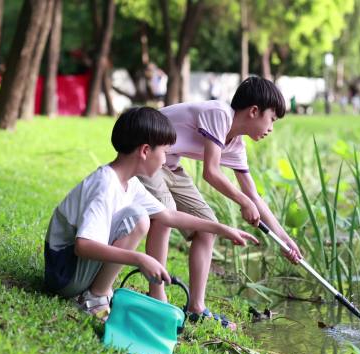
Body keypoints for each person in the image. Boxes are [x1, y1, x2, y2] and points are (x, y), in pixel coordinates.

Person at [43, 107, 258, 321]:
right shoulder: (105, 185)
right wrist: (140, 259)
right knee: (139, 218)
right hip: (64, 273)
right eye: (164, 152)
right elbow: (83, 246)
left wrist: (222, 229)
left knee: (142, 217)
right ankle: (95, 297)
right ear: (145, 151)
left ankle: (98, 291)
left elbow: (168, 216)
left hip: (71, 268)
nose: (165, 161)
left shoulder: (130, 183)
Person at [139, 76, 304, 330]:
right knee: (165, 215)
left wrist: (283, 239)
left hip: (170, 165)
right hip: (145, 154)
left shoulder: (236, 146)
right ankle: (157, 298)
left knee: (208, 227)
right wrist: (241, 201)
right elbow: (211, 172)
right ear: (254, 111)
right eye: (272, 119)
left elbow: (254, 196)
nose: (271, 127)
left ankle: (196, 308)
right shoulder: (219, 113)